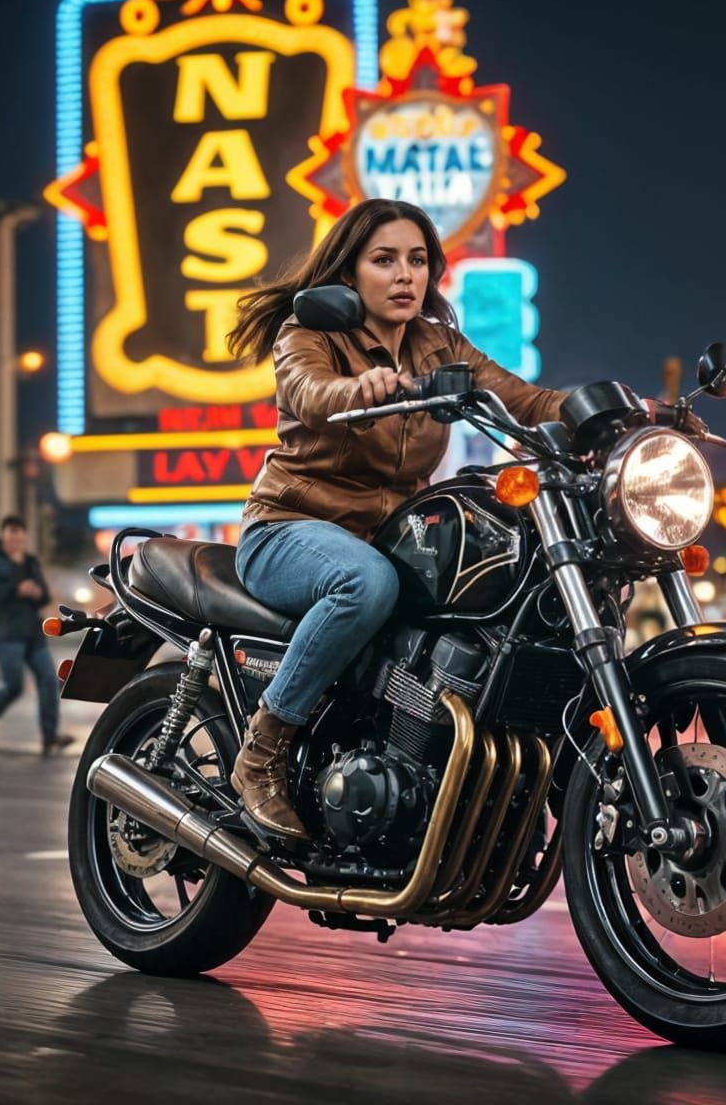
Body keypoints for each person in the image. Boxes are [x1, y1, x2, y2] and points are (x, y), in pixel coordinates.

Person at [226, 199, 568, 839]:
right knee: (367, 584)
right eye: (384, 260)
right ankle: (263, 751)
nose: (405, 275)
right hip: (289, 529)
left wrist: (623, 409)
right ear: (349, 274)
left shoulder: (438, 345)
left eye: (417, 260)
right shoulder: (310, 336)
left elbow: (525, 398)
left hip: (389, 538)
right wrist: (359, 389)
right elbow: (308, 390)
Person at [0, 515, 74, 755]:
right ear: (4, 534)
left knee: (49, 680)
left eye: (20, 533)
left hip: (32, 632)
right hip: (7, 633)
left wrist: (36, 592)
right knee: (14, 685)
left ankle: (50, 737)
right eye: (12, 532)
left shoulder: (30, 562)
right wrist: (17, 589)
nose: (16, 537)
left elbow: (45, 596)